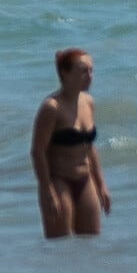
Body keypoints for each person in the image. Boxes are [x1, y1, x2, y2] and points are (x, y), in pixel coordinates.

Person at [35, 46, 110, 237]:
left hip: (85, 181)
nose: (90, 75)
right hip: (59, 182)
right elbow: (38, 152)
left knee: (91, 243)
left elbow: (89, 147)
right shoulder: (51, 107)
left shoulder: (88, 102)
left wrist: (101, 184)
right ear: (65, 74)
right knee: (59, 247)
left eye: (91, 70)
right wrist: (47, 190)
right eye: (83, 71)